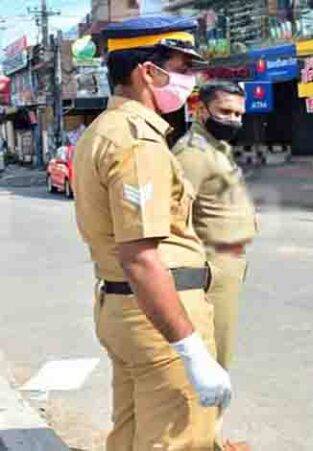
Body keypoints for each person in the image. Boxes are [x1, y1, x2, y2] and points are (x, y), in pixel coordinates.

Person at [71, 16, 233, 450]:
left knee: (131, 436)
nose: (189, 80)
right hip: (160, 314)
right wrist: (192, 351)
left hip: (127, 309)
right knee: (180, 439)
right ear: (147, 71)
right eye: (181, 68)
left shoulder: (100, 132)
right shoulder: (136, 141)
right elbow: (142, 256)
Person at [172, 80, 258, 371]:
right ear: (200, 110)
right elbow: (174, 218)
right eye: (225, 111)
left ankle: (210, 415)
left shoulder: (215, 147)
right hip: (211, 266)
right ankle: (207, 417)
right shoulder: (192, 154)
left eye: (239, 114)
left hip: (227, 262)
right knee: (213, 359)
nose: (234, 120)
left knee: (221, 352)